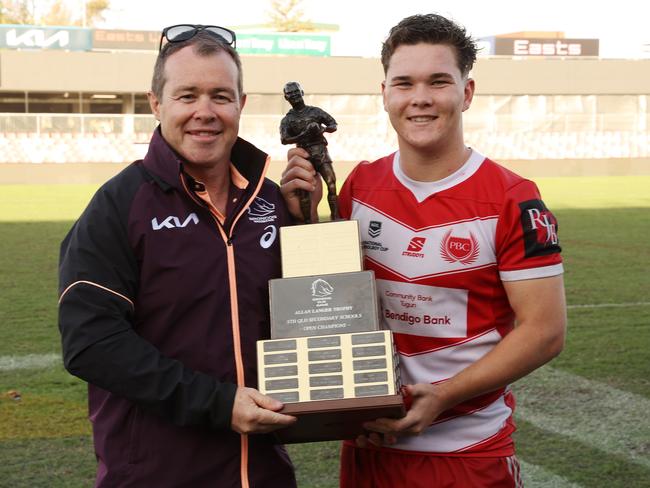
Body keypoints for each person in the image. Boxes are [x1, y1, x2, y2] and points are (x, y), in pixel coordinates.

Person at [281, 14, 567, 488]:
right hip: (369, 444)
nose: (420, 98)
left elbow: (545, 332)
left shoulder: (511, 198)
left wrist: (443, 396)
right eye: (404, 83)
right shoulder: (360, 186)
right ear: (385, 93)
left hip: (466, 451)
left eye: (438, 82)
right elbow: (335, 303)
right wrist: (306, 219)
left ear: (466, 92)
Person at [58, 25, 297, 487]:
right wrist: (218, 404)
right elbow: (90, 342)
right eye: (187, 96)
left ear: (241, 105)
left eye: (220, 96)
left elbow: (308, 315)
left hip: (265, 474)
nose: (204, 112)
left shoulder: (271, 203)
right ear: (156, 103)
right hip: (156, 474)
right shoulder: (119, 204)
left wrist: (306, 220)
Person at [280, 81, 338, 222]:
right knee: (304, 192)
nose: (294, 95)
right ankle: (307, 222)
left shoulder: (315, 112)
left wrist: (322, 129)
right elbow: (284, 139)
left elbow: (333, 124)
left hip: (320, 152)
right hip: (303, 156)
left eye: (296, 92)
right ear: (286, 98)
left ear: (302, 92)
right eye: (290, 94)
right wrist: (305, 133)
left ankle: (335, 217)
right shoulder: (287, 120)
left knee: (331, 183)